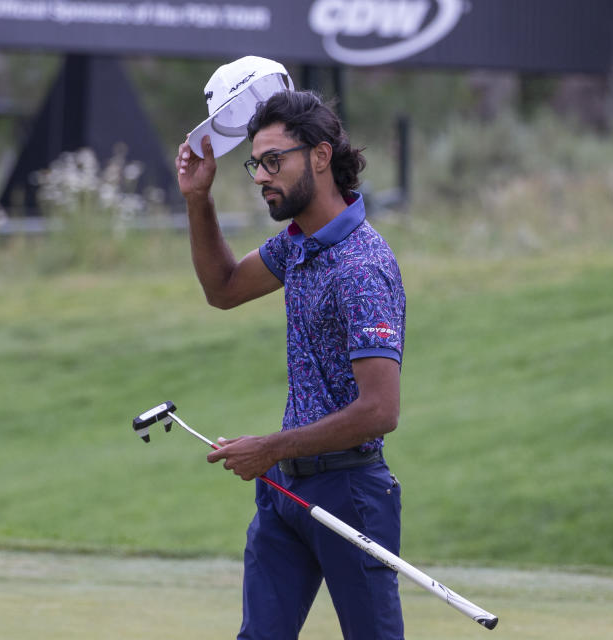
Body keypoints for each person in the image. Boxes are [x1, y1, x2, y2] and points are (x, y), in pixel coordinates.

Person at [175, 90, 406, 640]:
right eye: (257, 162)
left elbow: (380, 410)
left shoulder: (363, 266)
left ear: (320, 157)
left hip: (350, 493)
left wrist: (271, 447)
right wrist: (197, 199)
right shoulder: (298, 245)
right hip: (286, 493)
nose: (260, 176)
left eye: (274, 160)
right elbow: (224, 289)